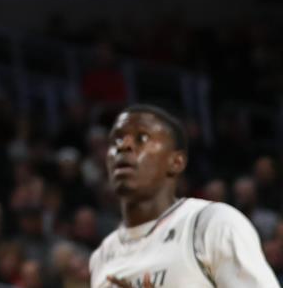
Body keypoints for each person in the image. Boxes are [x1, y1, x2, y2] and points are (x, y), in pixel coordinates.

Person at [89, 104, 280, 287]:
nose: (124, 147)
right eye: (116, 140)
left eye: (142, 138)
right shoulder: (102, 256)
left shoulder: (213, 224)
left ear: (176, 162)